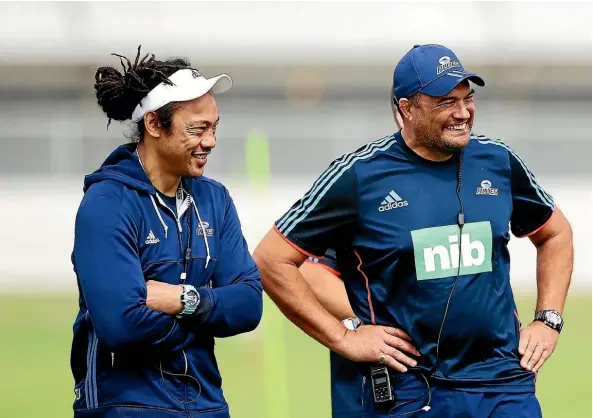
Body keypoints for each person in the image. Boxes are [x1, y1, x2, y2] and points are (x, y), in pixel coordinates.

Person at [254, 44, 573, 417]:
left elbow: (556, 233)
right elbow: (271, 260)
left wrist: (548, 319)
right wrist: (344, 337)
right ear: (406, 108)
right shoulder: (358, 176)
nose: (463, 112)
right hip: (413, 389)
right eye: (445, 102)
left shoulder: (498, 160)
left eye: (467, 99)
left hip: (504, 383)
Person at [70, 46, 263, 418]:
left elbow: (249, 305)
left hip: (207, 405)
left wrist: (184, 300)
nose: (211, 141)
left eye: (214, 127)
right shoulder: (106, 203)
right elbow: (121, 325)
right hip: (125, 407)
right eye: (197, 129)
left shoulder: (215, 199)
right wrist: (209, 314)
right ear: (155, 125)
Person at [298, 93, 415, 417]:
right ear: (403, 111)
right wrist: (365, 322)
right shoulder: (365, 183)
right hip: (376, 382)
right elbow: (310, 272)